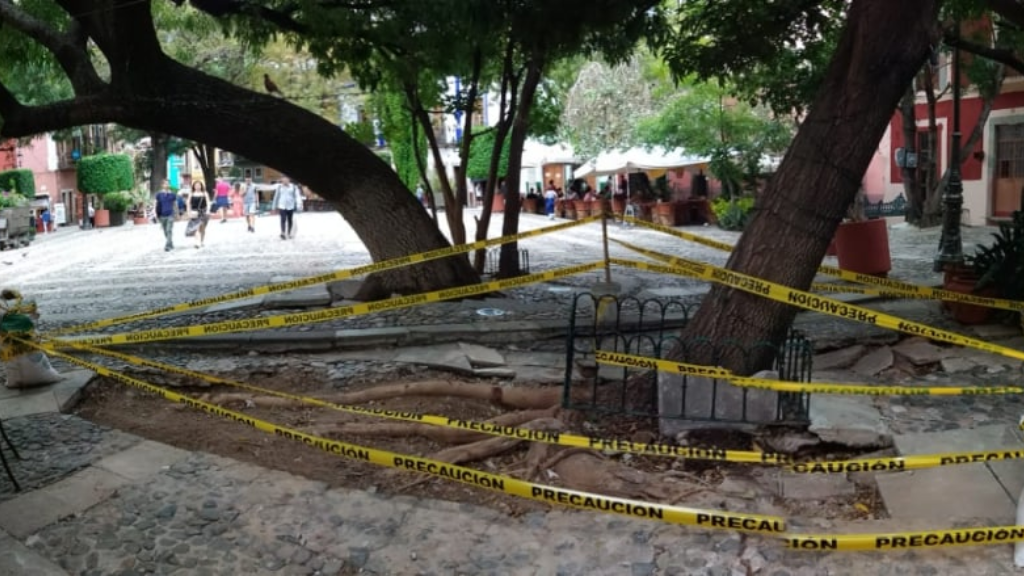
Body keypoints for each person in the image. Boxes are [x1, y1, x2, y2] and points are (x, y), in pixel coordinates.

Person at [154, 179, 177, 251]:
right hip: (162, 215)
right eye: (165, 184)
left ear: (169, 185)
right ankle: (171, 243)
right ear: (162, 185)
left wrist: (177, 213)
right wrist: (155, 213)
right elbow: (155, 204)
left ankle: (167, 246)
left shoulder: (172, 195)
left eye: (168, 184)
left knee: (169, 230)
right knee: (165, 231)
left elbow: (175, 204)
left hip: (170, 214)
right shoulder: (159, 194)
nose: (167, 185)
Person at [187, 180, 211, 248]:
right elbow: (188, 203)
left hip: (203, 212)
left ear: (201, 186)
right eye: (196, 185)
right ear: (194, 186)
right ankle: (197, 242)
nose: (197, 186)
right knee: (196, 228)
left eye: (199, 185)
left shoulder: (205, 193)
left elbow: (208, 202)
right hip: (194, 212)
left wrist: (208, 210)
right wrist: (188, 212)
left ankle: (202, 241)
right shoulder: (191, 193)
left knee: (202, 228)